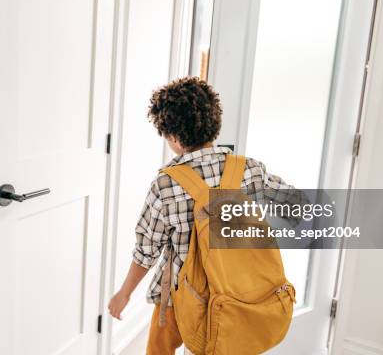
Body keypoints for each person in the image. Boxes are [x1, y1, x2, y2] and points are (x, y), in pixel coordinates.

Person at [107, 76, 303, 354]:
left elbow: (146, 251)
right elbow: (296, 204)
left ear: (173, 138)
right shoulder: (249, 169)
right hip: (243, 295)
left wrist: (124, 293)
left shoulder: (167, 184)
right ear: (214, 122)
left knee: (159, 347)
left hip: (185, 299)